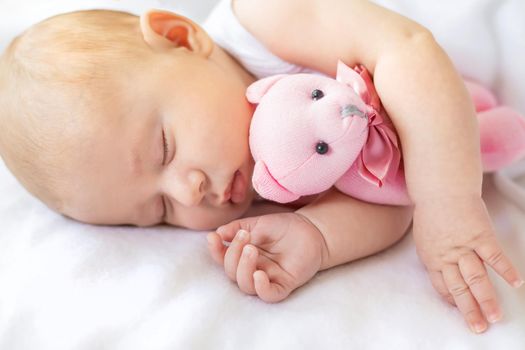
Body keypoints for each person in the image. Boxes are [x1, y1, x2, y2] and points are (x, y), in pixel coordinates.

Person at [0, 0, 522, 334]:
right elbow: (388, 196)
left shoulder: (264, 20)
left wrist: (448, 200)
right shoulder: (259, 180)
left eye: (163, 148)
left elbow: (406, 51)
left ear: (181, 38)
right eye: (158, 211)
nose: (189, 193)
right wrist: (316, 237)